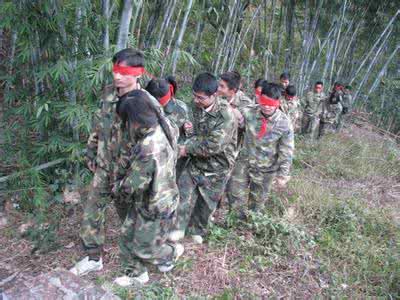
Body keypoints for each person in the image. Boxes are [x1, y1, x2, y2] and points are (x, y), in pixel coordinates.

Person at [71, 48, 162, 276]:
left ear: (138, 73)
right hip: (104, 166)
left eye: (124, 72)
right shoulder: (109, 93)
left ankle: (137, 269)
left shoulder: (146, 102)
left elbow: (153, 144)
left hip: (127, 173)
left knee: (129, 221)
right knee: (92, 211)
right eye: (115, 70)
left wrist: (138, 176)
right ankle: (93, 258)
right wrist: (91, 151)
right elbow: (99, 125)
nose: (117, 76)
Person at [110, 90, 183, 286]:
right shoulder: (164, 123)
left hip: (157, 202)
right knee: (127, 233)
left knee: (146, 248)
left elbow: (133, 184)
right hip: (154, 196)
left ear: (134, 120)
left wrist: (116, 189)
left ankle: (171, 252)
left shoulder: (148, 147)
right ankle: (136, 274)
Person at [168, 72, 237, 244]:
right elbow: (191, 129)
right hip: (196, 161)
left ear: (214, 96)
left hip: (218, 166)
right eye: (195, 96)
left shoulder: (226, 116)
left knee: (206, 203)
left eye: (201, 98)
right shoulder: (194, 106)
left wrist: (186, 148)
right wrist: (188, 130)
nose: (197, 100)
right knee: (182, 193)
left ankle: (196, 230)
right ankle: (177, 228)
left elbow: (214, 145)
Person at [227, 83, 294, 216]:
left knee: (257, 203)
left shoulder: (284, 123)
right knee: (234, 194)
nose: (267, 107)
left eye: (271, 104)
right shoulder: (249, 112)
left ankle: (251, 227)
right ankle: (235, 223)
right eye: (264, 103)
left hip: (266, 170)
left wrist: (282, 174)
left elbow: (286, 151)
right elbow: (234, 118)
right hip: (244, 163)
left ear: (277, 103)